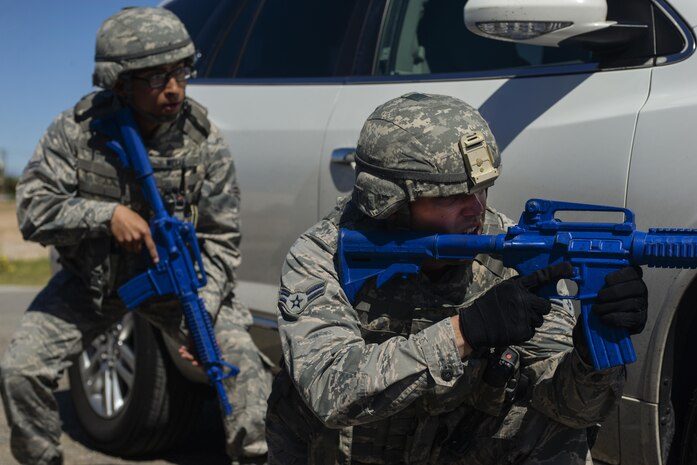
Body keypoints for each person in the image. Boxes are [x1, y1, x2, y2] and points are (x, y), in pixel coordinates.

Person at [265, 92, 648, 464]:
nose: (476, 209)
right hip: (345, 452)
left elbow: (573, 410)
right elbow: (331, 392)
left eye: (482, 189)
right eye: (451, 198)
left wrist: (589, 356)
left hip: (455, 447)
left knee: (554, 431)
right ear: (388, 202)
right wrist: (465, 331)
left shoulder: (511, 253)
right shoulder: (322, 255)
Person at [0, 7, 272, 465]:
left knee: (244, 370)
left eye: (182, 70)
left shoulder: (204, 141)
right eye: (156, 76)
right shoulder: (77, 132)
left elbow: (222, 239)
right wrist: (106, 216)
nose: (174, 87)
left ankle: (254, 457)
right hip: (92, 283)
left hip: (180, 286)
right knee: (20, 370)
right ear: (119, 82)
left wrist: (202, 310)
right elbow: (32, 210)